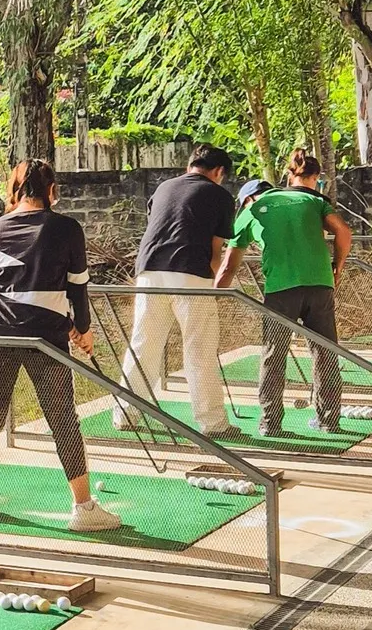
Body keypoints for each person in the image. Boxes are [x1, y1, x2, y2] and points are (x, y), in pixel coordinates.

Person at [0, 159, 122, 532]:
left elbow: (21, 284)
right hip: (43, 337)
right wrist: (82, 329)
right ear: (52, 191)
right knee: (61, 416)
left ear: (16, 189)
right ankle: (83, 509)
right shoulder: (67, 227)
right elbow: (76, 287)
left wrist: (69, 323)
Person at [220, 147, 352, 437]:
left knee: (273, 355)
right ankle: (329, 420)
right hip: (320, 284)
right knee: (325, 353)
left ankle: (270, 424)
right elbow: (343, 232)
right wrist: (337, 267)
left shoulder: (253, 209)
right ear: (315, 178)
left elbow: (228, 265)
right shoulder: (313, 200)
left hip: (281, 289)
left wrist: (215, 293)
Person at [115, 144, 237, 437]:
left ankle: (126, 414)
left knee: (145, 343)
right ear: (219, 172)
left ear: (190, 165)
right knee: (200, 349)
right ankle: (213, 424)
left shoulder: (164, 187)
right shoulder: (220, 195)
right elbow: (215, 250)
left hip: (149, 271)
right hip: (190, 274)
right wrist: (211, 284)